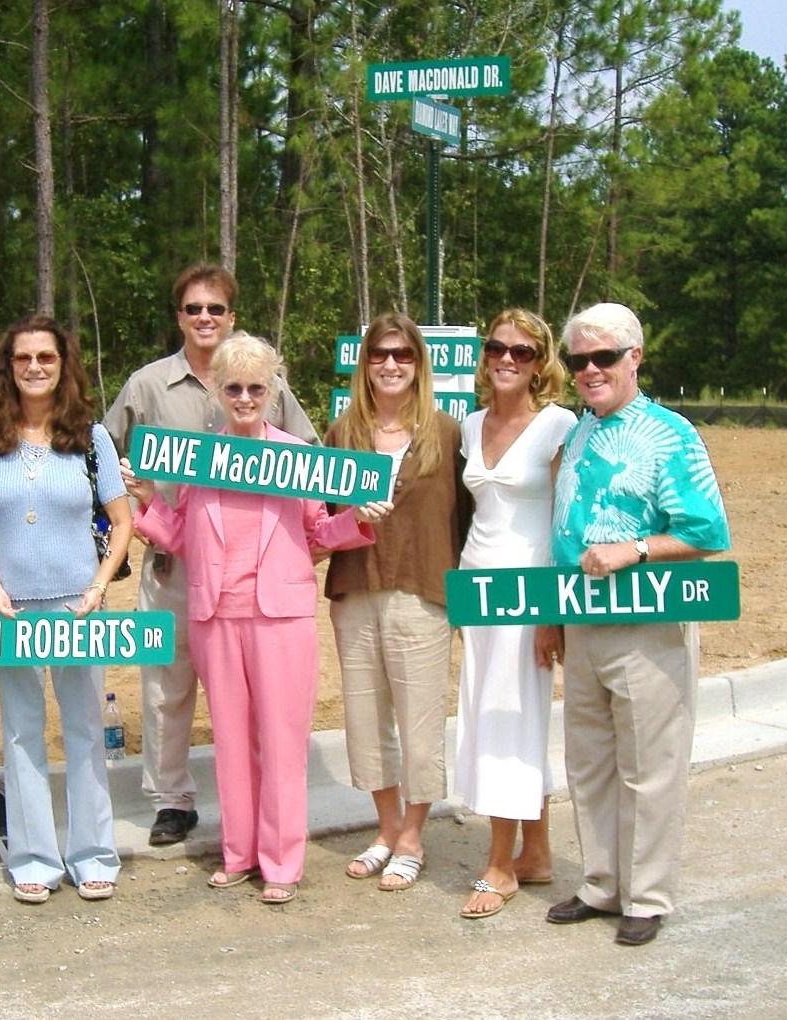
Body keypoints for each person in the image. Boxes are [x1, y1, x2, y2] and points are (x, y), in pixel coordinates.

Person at [120, 334, 392, 903]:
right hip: (215, 613)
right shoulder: (198, 459)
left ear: (272, 392)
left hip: (281, 616)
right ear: (217, 391)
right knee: (232, 741)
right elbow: (182, 536)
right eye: (234, 387)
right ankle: (238, 852)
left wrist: (359, 518)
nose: (245, 398)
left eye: (256, 388)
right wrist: (144, 503)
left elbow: (319, 533)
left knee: (281, 741)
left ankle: (282, 862)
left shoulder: (297, 456)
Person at [103, 264, 318, 847]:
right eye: (194, 308)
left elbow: (312, 462)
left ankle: (251, 819)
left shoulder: (266, 383)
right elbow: (103, 454)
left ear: (231, 317)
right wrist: (130, 509)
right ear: (179, 317)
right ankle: (171, 800)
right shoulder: (146, 385)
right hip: (174, 562)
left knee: (248, 697)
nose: (205, 318)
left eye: (215, 309)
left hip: (253, 575)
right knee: (167, 690)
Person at [546, 302, 730, 946]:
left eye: (604, 357)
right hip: (583, 621)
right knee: (589, 761)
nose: (590, 370)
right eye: (579, 360)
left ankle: (647, 896)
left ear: (635, 358)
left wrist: (636, 549)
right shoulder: (578, 433)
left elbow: (706, 531)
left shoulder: (670, 433)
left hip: (649, 621)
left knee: (650, 763)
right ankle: (601, 883)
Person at [0, 315, 131, 905]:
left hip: (77, 605)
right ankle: (33, 857)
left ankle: (92, 855)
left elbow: (123, 518)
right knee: (20, 733)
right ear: (8, 367)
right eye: (23, 357)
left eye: (47, 358)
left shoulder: (92, 438)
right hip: (11, 608)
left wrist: (100, 585)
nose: (35, 367)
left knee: (84, 729)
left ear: (64, 365)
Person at [323, 312, 471, 892]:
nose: (390, 365)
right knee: (364, 720)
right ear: (365, 365)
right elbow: (319, 520)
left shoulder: (448, 432)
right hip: (356, 591)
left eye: (402, 355)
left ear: (418, 364)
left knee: (420, 722)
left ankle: (413, 835)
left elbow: (470, 516)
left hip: (423, 591)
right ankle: (385, 828)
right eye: (380, 355)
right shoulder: (343, 433)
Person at [453, 309, 577, 919]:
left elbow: (565, 522)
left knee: (509, 718)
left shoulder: (560, 425)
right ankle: (537, 853)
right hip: (477, 589)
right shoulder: (468, 424)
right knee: (492, 713)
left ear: (540, 361)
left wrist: (554, 611)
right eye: (498, 347)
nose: (507, 358)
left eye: (522, 352)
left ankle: (499, 865)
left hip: (528, 593)